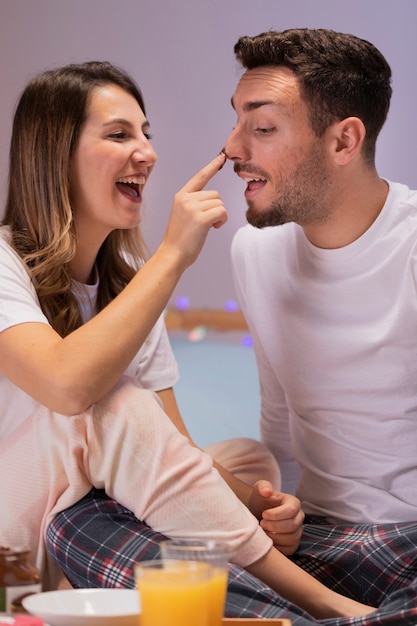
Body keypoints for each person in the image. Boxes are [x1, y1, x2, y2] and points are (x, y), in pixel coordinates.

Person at [47, 29, 417, 625]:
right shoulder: (257, 252)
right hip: (318, 548)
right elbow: (281, 420)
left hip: (406, 544)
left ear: (345, 139)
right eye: (236, 122)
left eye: (262, 128)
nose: (232, 146)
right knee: (78, 520)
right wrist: (277, 520)